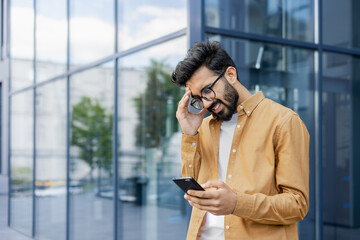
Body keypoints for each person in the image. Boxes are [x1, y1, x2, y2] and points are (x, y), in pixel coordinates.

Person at [171, 41, 309, 240]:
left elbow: (297, 205)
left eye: (208, 90)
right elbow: (195, 190)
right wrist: (190, 135)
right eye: (198, 98)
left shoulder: (283, 122)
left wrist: (236, 203)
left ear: (230, 75)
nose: (207, 103)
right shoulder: (204, 127)